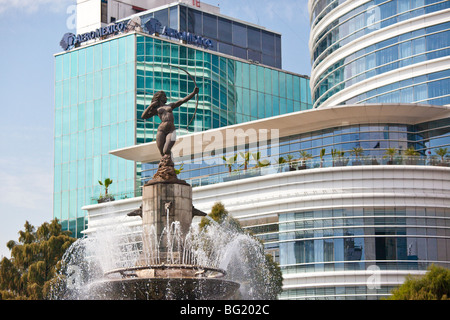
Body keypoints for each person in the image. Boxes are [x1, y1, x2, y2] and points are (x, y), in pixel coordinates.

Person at [141, 86, 199, 157]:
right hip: (161, 130)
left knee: (166, 150)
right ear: (159, 97)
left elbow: (182, 101)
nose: (166, 98)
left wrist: (193, 93)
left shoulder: (170, 105)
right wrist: (151, 105)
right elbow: (143, 116)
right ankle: (165, 165)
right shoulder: (156, 109)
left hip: (171, 129)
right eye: (164, 96)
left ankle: (168, 163)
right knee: (162, 153)